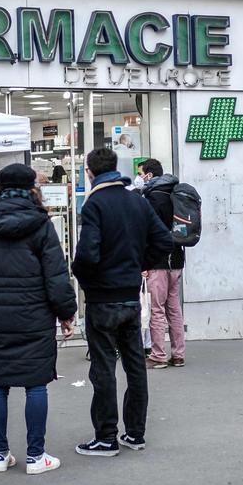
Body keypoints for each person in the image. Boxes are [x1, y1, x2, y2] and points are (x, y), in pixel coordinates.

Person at [0, 164, 77, 475]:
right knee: (35, 385)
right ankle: (35, 456)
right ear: (32, 190)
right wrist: (66, 313)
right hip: (35, 318)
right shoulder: (42, 226)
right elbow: (56, 277)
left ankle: (0, 455)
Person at [72, 147, 174, 457]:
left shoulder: (95, 203)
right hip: (131, 296)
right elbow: (165, 241)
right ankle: (135, 433)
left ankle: (105, 437)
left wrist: (84, 278)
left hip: (103, 299)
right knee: (134, 367)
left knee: (103, 369)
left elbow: (88, 254)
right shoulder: (137, 201)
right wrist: (139, 264)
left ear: (89, 172)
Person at [138, 159, 186, 369]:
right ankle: (178, 354)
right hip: (176, 260)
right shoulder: (176, 193)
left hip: (157, 262)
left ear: (148, 175)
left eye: (141, 173)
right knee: (174, 309)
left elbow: (146, 233)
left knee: (156, 309)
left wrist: (144, 263)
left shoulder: (151, 198)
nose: (139, 178)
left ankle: (158, 355)